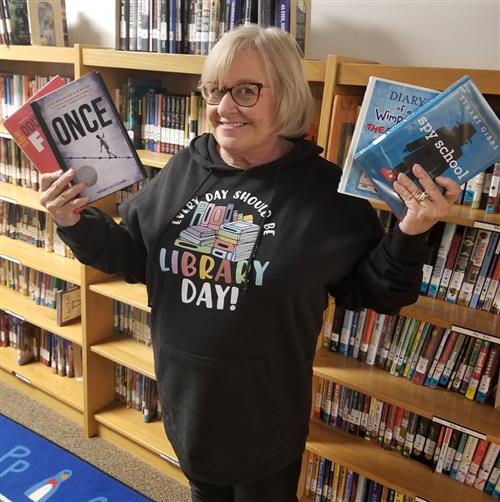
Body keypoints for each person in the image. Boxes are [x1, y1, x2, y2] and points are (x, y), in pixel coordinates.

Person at [39, 25, 461, 502]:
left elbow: (377, 291)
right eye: (215, 90)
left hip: (268, 421)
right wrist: (73, 220)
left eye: (245, 90)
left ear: (284, 95)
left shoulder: (326, 192)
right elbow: (133, 257)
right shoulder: (185, 168)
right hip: (190, 408)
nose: (224, 107)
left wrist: (410, 232)